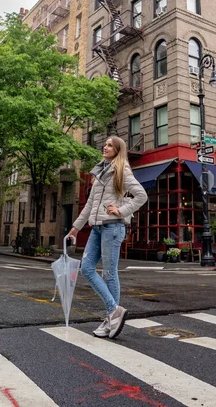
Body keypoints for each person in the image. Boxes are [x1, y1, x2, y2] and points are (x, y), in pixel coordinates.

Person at [67, 136, 147, 339]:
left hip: (113, 227)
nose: (105, 146)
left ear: (118, 150)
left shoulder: (122, 170)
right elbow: (89, 205)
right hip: (96, 228)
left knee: (109, 274)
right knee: (86, 268)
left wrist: (120, 210)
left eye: (110, 145)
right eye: (106, 144)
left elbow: (141, 196)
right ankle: (114, 311)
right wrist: (76, 228)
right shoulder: (100, 172)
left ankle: (111, 316)